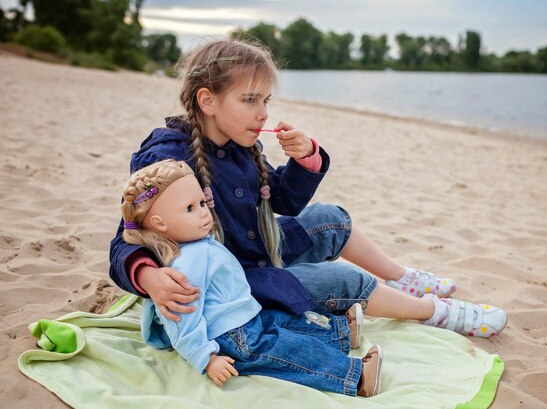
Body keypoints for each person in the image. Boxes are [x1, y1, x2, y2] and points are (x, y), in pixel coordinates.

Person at [109, 37, 507, 339]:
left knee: (330, 220)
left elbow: (281, 199)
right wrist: (149, 278)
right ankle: (432, 311)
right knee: (343, 281)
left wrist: (306, 160)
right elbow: (126, 239)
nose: (263, 113)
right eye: (250, 100)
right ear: (208, 100)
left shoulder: (242, 144)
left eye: (265, 99)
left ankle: (403, 277)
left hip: (262, 250)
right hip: (234, 284)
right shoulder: (167, 157)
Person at [121, 159, 384, 396]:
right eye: (190, 208)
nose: (203, 212)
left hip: (243, 319)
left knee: (286, 321)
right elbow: (181, 322)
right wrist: (207, 358)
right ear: (160, 223)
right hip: (229, 337)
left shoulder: (199, 244)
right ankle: (355, 376)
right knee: (288, 350)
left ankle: (339, 334)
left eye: (202, 203)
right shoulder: (186, 265)